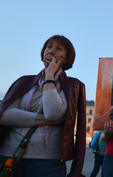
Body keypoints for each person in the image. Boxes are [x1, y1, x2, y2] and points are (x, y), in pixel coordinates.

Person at [0, 35, 86, 177]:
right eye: (48, 46)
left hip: (48, 163)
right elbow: (4, 115)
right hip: (8, 156)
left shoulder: (73, 85)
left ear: (66, 58)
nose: (51, 51)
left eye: (58, 48)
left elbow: (52, 112)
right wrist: (49, 121)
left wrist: (50, 76)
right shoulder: (23, 81)